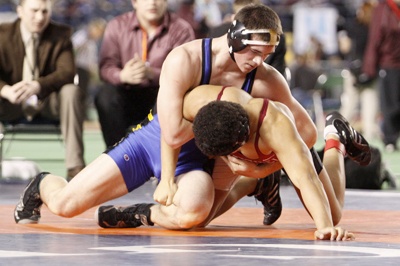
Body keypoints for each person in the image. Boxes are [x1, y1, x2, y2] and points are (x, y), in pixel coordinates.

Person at [14, 84, 368, 241]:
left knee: (332, 215)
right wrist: (166, 179)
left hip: (275, 153)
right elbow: (171, 131)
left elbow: (303, 173)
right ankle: (43, 181)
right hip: (154, 141)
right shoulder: (198, 97)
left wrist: (262, 169)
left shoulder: (277, 126)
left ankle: (333, 138)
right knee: (64, 204)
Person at [0, 0, 85, 180]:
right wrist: (5, 90)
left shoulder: (61, 34)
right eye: (34, 11)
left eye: (45, 12)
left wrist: (38, 85)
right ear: (20, 11)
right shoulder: (2, 34)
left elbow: (67, 72)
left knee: (71, 90)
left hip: (47, 102)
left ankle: (75, 167)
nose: (40, 17)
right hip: (9, 103)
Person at [95, 0, 195, 147]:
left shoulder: (181, 30)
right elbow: (106, 67)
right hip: (126, 93)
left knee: (174, 95)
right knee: (105, 95)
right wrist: (122, 75)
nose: (152, 3)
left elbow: (188, 73)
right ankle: (117, 153)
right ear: (135, 2)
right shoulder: (117, 26)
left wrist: (152, 74)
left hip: (162, 94)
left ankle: (158, 155)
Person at [207, 0, 287, 77]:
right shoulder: (217, 36)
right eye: (254, 51)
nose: (258, 62)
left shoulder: (275, 39)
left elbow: (277, 74)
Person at [362, 0, 400, 152]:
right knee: (390, 104)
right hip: (388, 64)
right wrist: (369, 68)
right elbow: (375, 38)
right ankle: (390, 139)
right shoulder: (383, 9)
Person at [339, 0, 379, 141]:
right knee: (370, 110)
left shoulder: (353, 26)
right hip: (372, 72)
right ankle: (369, 141)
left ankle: (337, 136)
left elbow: (345, 47)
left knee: (348, 107)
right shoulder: (376, 29)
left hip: (354, 72)